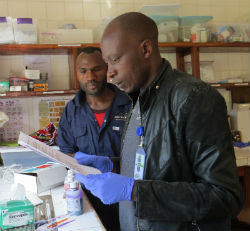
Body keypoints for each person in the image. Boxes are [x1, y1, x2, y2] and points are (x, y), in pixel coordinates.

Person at [75, 13, 243, 231]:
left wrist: (135, 191)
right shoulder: (137, 99)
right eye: (107, 63)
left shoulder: (194, 99)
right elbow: (156, 166)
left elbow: (225, 196)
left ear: (145, 49)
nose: (109, 75)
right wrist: (113, 166)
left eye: (115, 60)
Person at [57, 46, 131, 231]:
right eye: (83, 71)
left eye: (96, 69)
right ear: (77, 73)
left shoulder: (130, 104)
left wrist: (113, 165)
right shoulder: (71, 110)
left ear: (106, 68)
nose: (90, 77)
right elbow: (66, 153)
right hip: (87, 199)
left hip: (127, 196)